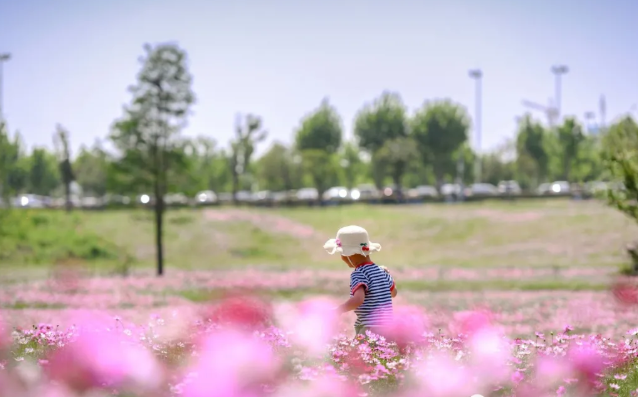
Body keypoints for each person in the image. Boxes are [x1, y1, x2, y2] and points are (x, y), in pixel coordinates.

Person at [324, 225, 397, 336]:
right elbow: (394, 293)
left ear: (348, 255)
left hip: (369, 328)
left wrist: (339, 310)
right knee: (384, 353)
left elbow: (358, 299)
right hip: (389, 329)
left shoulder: (359, 274)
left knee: (361, 353)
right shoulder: (382, 271)